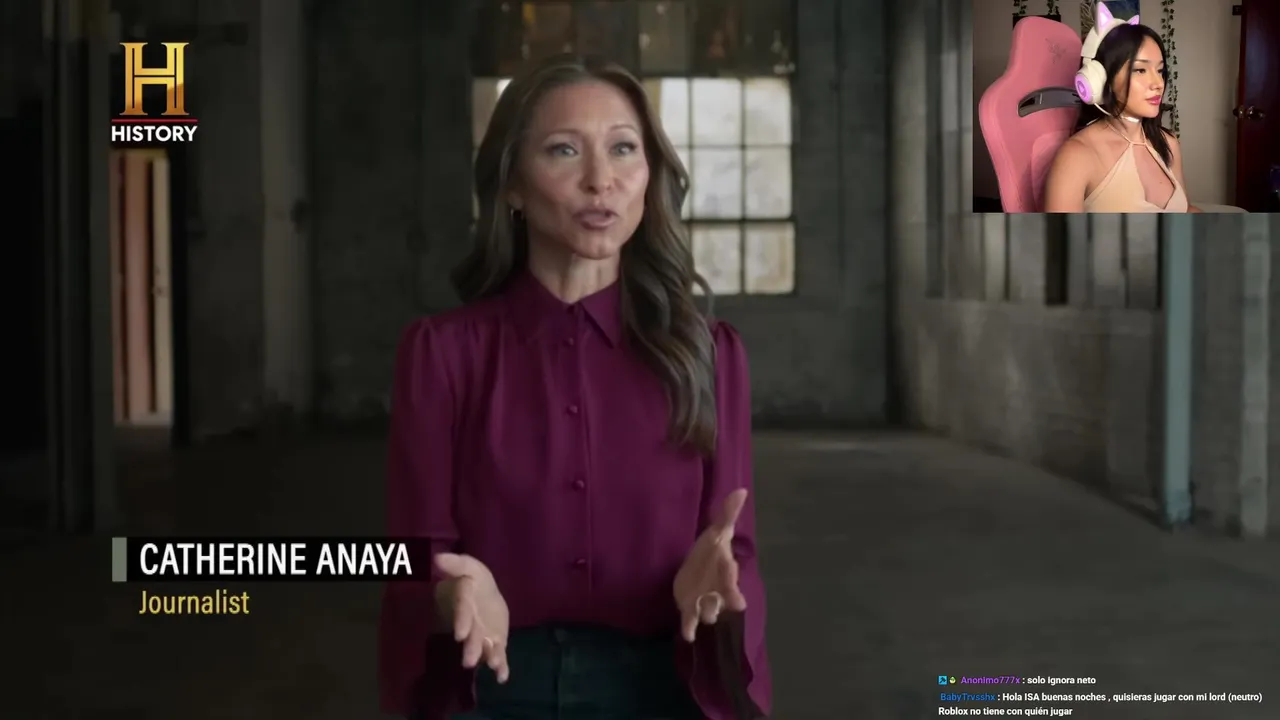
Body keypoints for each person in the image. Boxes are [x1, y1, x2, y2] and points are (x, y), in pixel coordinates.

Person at [379, 53, 771, 720]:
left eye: (623, 149)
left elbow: (733, 547)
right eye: (564, 150)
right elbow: (415, 558)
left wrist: (717, 589)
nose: (601, 180)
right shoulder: (443, 355)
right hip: (492, 685)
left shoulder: (709, 355)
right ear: (512, 185)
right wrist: (451, 595)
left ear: (649, 175)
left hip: (662, 686)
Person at [1043, 4, 1200, 213]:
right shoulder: (1076, 157)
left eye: (1160, 70)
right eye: (1140, 70)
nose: (1158, 83)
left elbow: (1186, 210)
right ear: (1101, 79)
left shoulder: (1168, 143)